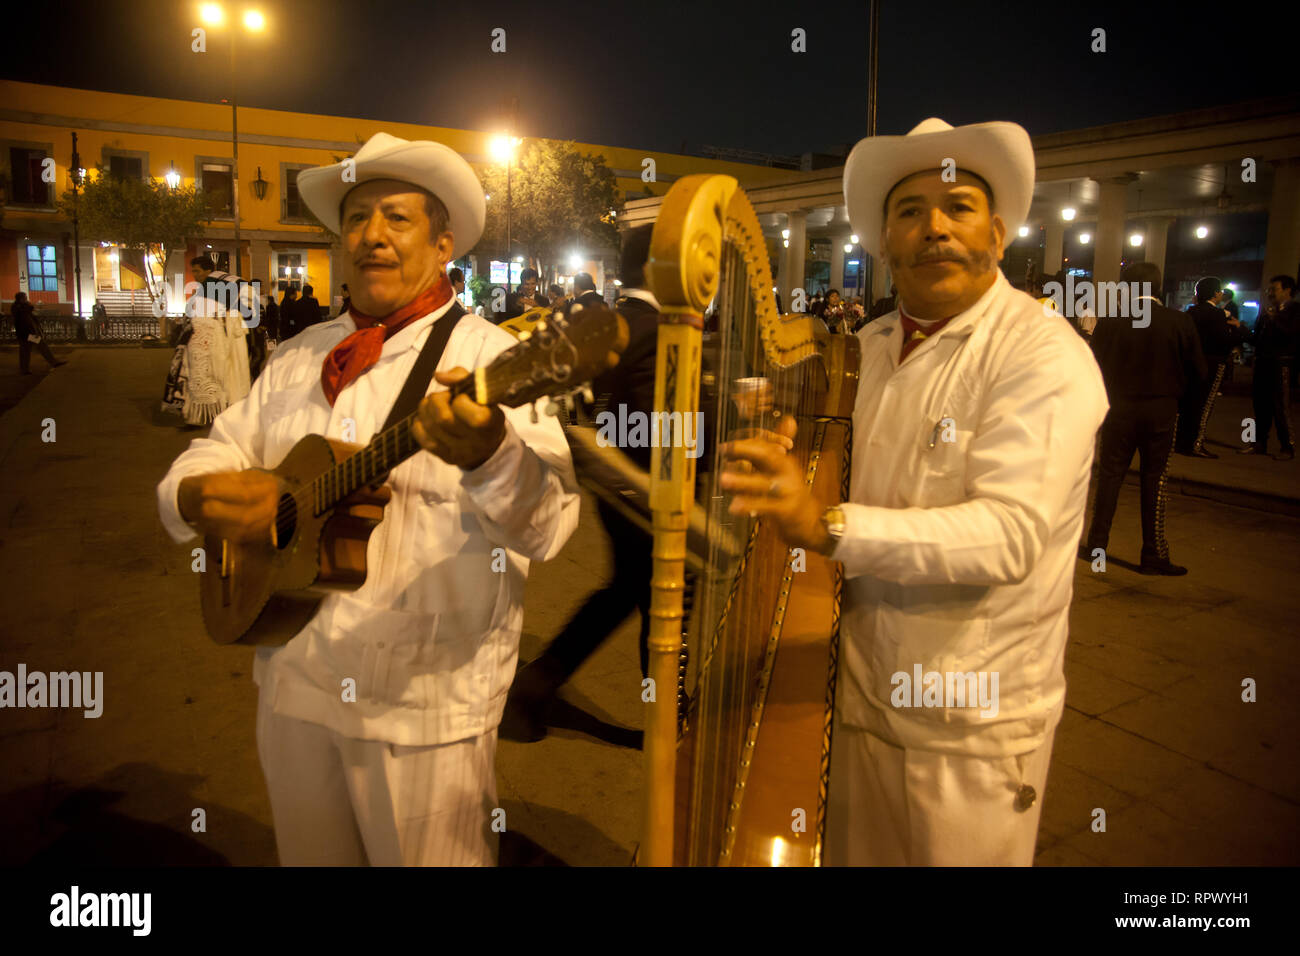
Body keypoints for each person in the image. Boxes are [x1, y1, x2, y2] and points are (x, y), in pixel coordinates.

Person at [156, 132, 578, 866]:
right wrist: (200, 497)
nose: (371, 235)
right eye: (356, 218)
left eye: (397, 217)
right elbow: (210, 452)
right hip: (291, 683)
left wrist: (491, 456)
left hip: (424, 711)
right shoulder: (296, 355)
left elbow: (549, 526)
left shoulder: (495, 359)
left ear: (444, 242)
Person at [721, 117, 1107, 865]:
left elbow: (1011, 534)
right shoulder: (864, 353)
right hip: (856, 697)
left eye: (958, 208)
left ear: (997, 233)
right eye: (910, 211)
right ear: (884, 242)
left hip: (969, 731)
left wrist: (828, 525)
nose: (935, 227)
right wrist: (780, 446)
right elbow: (833, 476)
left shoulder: (1044, 353)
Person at [1082, 262, 1206, 574]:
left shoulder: (1110, 324)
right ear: (1157, 287)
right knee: (1155, 479)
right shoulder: (1178, 322)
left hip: (1118, 409)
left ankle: (1097, 544)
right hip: (1161, 410)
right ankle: (1153, 553)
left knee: (1110, 476)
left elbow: (1090, 367)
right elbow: (1200, 373)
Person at [162, 255, 252, 426]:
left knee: (220, 374)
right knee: (203, 374)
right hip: (206, 337)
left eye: (197, 271)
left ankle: (211, 413)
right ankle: (200, 414)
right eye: (193, 271)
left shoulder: (219, 285)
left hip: (220, 337)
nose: (195, 275)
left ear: (208, 271)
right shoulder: (207, 289)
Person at [1177, 276, 1241, 458]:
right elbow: (1224, 341)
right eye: (1219, 290)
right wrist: (1239, 330)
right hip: (1212, 363)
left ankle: (1181, 441)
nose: (1221, 293)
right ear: (1215, 294)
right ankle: (1195, 443)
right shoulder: (1218, 314)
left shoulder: (1191, 312)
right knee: (1204, 404)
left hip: (1190, 363)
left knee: (1188, 402)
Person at [1239, 274, 1298, 460]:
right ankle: (1259, 442)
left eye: (1274, 289)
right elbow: (1257, 339)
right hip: (1263, 362)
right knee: (1260, 405)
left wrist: (1274, 319)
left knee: (1281, 406)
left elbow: (1291, 334)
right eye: (1269, 290)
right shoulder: (1268, 312)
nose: (1270, 293)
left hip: (1281, 363)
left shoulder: (1294, 310)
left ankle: (1287, 447)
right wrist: (1241, 329)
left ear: (1288, 290)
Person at [10, 292, 66, 373]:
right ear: (21, 298)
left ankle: (52, 362)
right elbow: (27, 311)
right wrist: (27, 305)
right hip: (25, 334)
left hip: (28, 333)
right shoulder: (18, 307)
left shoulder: (20, 307)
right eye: (25, 297)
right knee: (28, 350)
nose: (26, 299)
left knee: (37, 347)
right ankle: (25, 369)